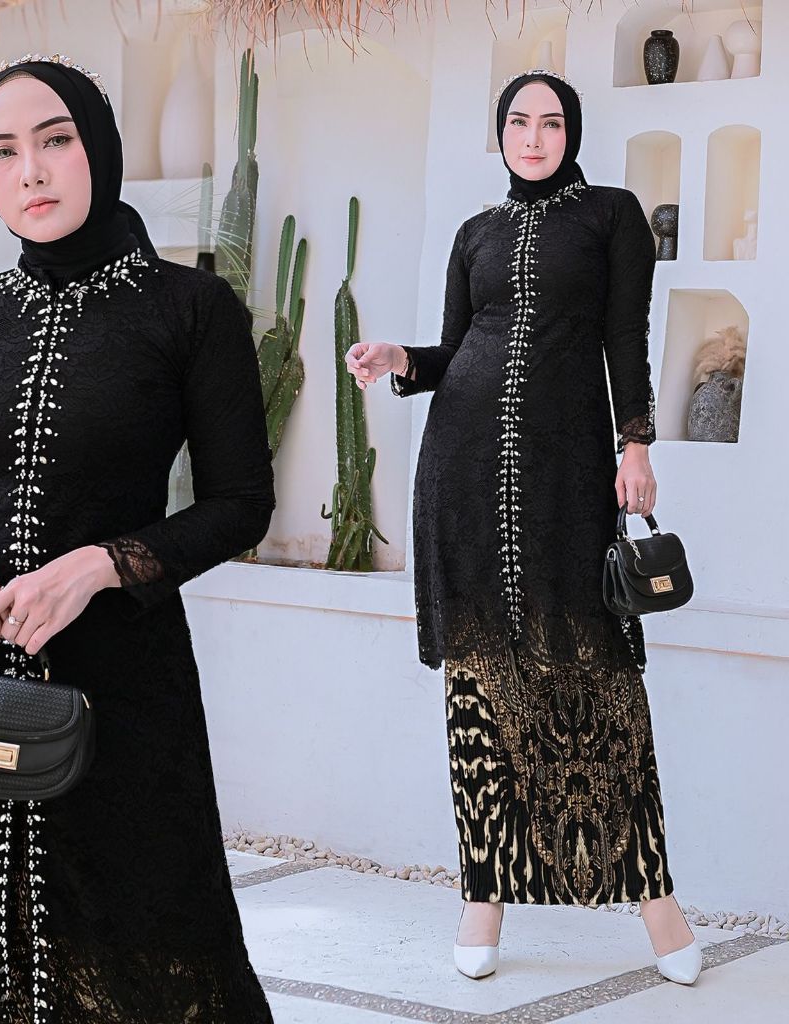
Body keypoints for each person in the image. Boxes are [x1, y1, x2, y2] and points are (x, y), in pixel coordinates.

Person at [0, 53, 276, 1023]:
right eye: (1, 151)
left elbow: (241, 502)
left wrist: (103, 565)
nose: (29, 171)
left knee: (136, 948)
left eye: (55, 140)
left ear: (99, 148)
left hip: (117, 683)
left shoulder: (191, 310)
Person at [344, 68, 701, 986]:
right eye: (517, 122)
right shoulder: (475, 233)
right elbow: (454, 346)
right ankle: (484, 898)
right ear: (499, 132)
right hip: (461, 473)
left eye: (549, 123)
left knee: (601, 682)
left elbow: (626, 336)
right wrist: (398, 357)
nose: (533, 137)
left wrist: (635, 444)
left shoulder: (612, 216)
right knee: (479, 687)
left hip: (566, 476)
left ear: (571, 132)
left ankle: (657, 905)